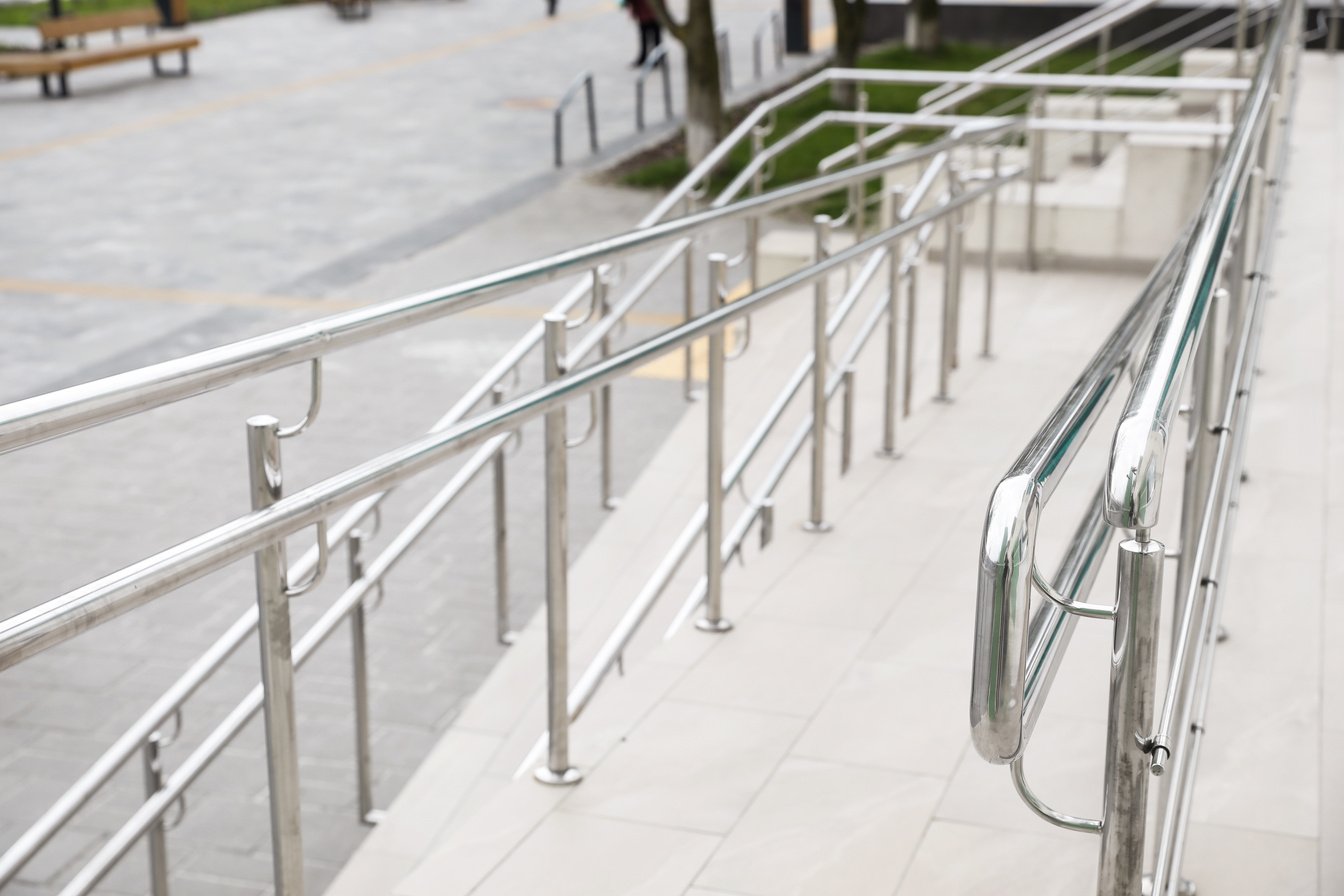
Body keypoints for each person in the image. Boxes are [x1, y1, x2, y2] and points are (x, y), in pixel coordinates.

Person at [627, 0, 662, 67]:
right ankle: (646, 58)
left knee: (655, 38)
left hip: (652, 13)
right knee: (645, 38)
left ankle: (657, 58)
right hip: (645, 13)